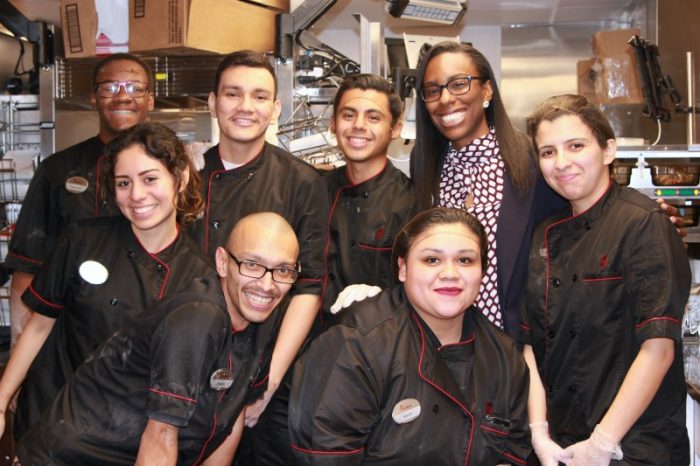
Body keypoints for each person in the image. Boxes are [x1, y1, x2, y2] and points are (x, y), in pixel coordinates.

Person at [410, 41, 682, 339]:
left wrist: (652, 222)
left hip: (520, 347)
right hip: (447, 344)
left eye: (459, 84)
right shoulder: (427, 164)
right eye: (433, 91)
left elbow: (591, 212)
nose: (446, 99)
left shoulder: (532, 159)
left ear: (486, 91)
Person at [16, 212, 300, 465]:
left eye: (284, 271)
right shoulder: (199, 317)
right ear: (222, 263)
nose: (267, 284)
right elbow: (161, 435)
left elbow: (231, 416)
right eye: (252, 265)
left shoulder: (264, 315)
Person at [1, 122, 214, 440]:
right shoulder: (82, 240)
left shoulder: (198, 276)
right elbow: (38, 325)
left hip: (126, 433)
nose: (137, 195)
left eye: (150, 179)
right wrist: (2, 399)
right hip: (52, 415)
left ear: (180, 179)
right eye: (124, 183)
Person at [521, 94, 690, 466]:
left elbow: (658, 348)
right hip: (561, 442)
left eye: (576, 146)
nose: (561, 162)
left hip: (635, 445)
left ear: (608, 150)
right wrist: (538, 432)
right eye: (547, 152)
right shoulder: (542, 236)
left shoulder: (643, 223)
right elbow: (530, 346)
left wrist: (602, 443)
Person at [289, 207, 530, 465]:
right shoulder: (356, 342)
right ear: (402, 268)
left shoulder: (505, 357)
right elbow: (326, 455)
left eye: (465, 260)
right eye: (432, 260)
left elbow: (511, 454)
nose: (450, 274)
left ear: (482, 271)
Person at [191, 50, 327, 428]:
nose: (245, 106)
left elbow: (309, 286)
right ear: (213, 103)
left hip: (263, 361)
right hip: (187, 356)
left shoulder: (303, 183)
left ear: (276, 108)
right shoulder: (184, 177)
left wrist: (271, 381)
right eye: (233, 94)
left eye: (260, 96)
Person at [5, 53, 154, 346]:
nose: (122, 96)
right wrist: (19, 353)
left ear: (150, 100)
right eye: (110, 88)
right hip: (70, 340)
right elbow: (27, 268)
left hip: (148, 334)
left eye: (134, 87)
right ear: (93, 99)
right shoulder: (57, 170)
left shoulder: (176, 172)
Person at [321, 73, 419, 320]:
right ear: (333, 123)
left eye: (373, 117)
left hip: (380, 342)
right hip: (312, 342)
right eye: (348, 115)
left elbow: (422, 287)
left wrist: (383, 297)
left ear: (395, 129)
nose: (359, 125)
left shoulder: (412, 204)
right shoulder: (313, 191)